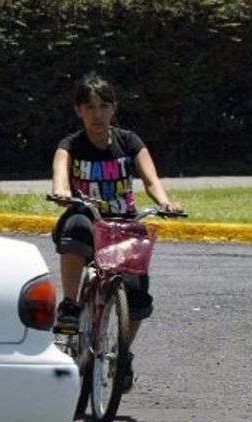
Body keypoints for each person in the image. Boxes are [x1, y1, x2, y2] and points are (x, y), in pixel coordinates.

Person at [51, 72, 182, 392]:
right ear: (78, 110)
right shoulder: (70, 145)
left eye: (104, 106)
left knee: (137, 290)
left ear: (114, 109)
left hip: (122, 223)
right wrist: (62, 192)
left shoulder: (129, 141)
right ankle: (70, 306)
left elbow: (151, 181)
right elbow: (60, 177)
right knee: (77, 228)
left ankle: (122, 352)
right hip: (87, 216)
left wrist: (165, 202)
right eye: (90, 107)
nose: (97, 114)